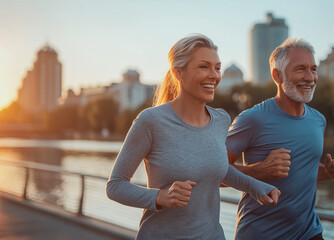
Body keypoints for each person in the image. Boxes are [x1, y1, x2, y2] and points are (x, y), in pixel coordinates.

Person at [106, 34, 280, 240]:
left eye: (217, 67)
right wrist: (161, 196)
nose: (214, 75)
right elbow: (115, 186)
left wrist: (257, 187)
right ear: (178, 72)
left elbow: (219, 168)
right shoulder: (150, 121)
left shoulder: (221, 119)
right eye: (204, 67)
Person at [226, 38, 334, 240]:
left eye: (313, 69)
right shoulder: (252, 119)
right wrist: (260, 170)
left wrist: (328, 172)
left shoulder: (318, 120)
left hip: (309, 232)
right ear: (277, 75)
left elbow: (299, 174)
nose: (310, 77)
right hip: (260, 234)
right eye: (300, 69)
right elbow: (212, 171)